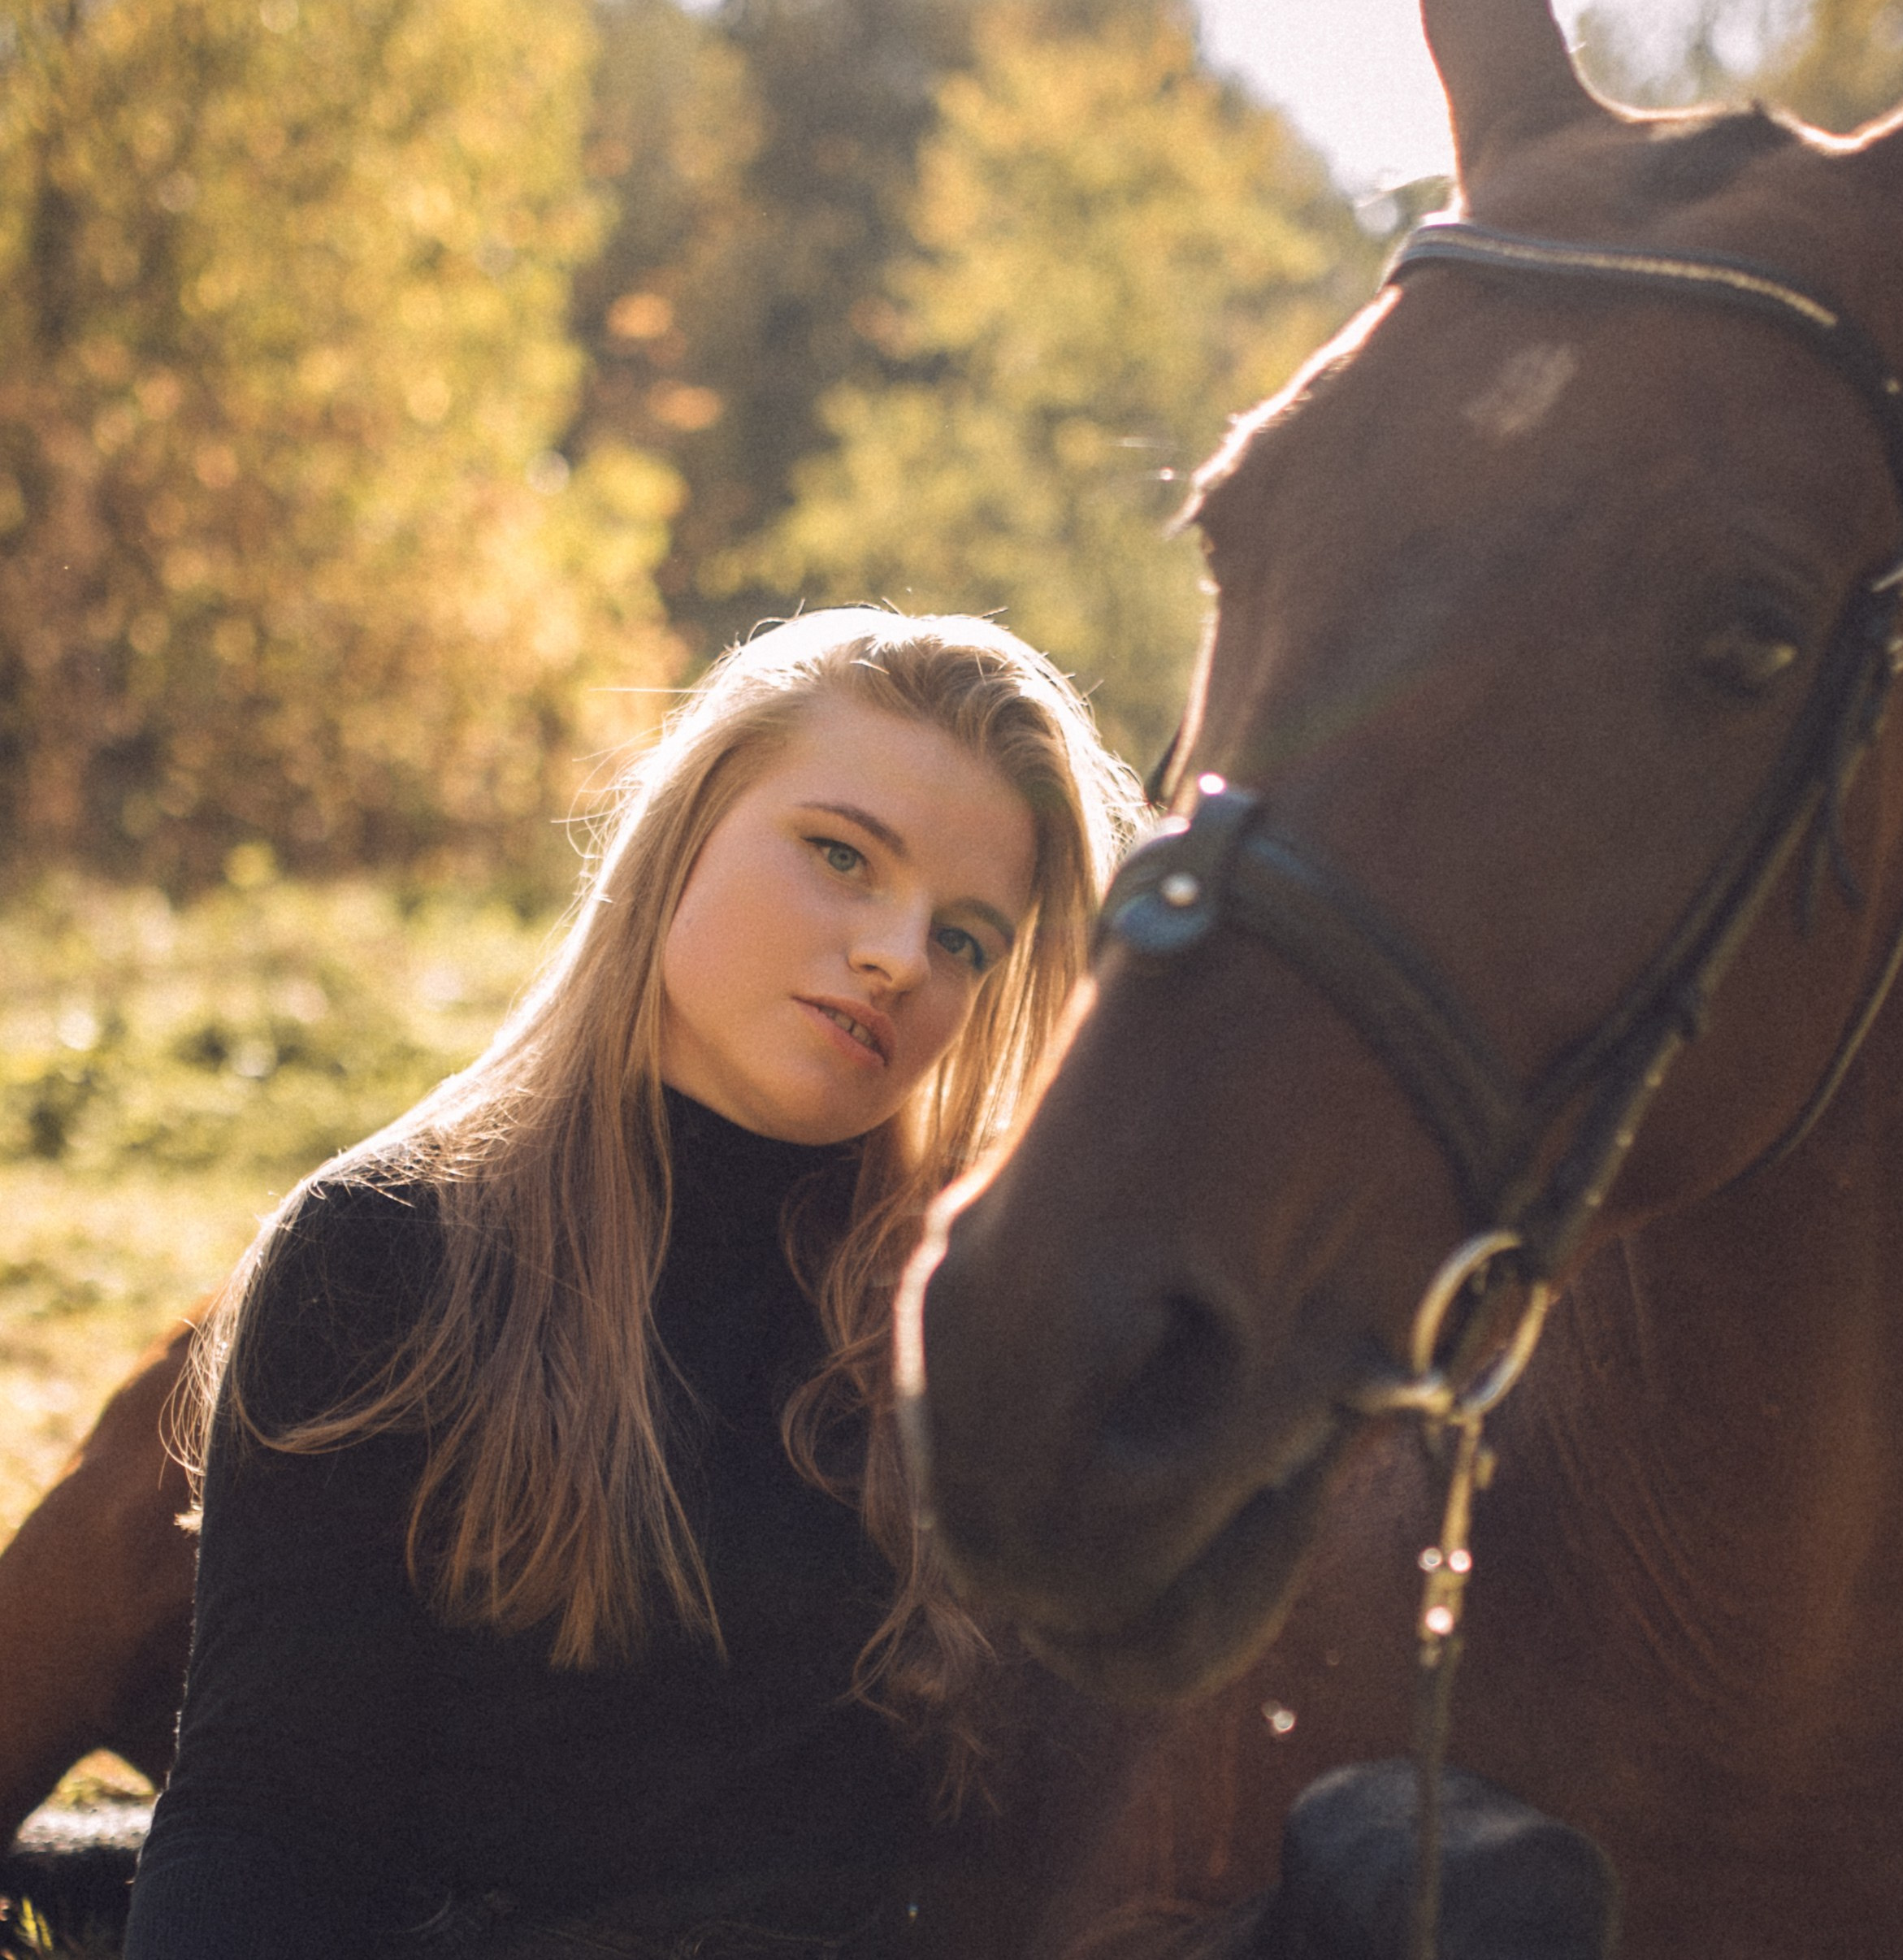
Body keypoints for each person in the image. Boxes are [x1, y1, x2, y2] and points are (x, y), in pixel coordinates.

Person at [124, 609, 1142, 1960]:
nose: (899, 954)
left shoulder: (970, 1319)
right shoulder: (388, 1253)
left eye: (964, 938)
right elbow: (263, 1825)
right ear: (686, 829)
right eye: (841, 854)